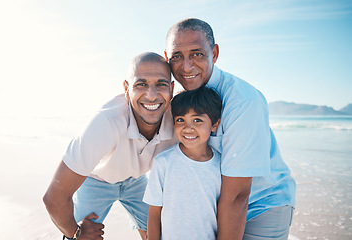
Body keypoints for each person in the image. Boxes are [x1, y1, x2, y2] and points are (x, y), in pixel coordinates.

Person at [164, 18, 296, 240]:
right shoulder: (175, 100)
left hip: (261, 203)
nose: (186, 66)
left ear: (214, 53)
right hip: (215, 206)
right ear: (167, 58)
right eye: (177, 56)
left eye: (197, 54)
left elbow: (237, 196)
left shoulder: (243, 101)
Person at [43, 52, 178, 240]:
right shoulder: (105, 123)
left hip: (136, 180)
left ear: (171, 88)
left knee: (162, 234)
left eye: (161, 84)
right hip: (96, 180)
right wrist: (75, 233)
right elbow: (54, 198)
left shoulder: (181, 119)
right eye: (141, 84)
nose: (152, 95)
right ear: (126, 88)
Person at [144, 86, 223, 240]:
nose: (188, 128)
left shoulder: (222, 166)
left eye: (197, 120)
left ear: (214, 124)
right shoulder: (163, 162)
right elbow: (154, 214)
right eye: (180, 120)